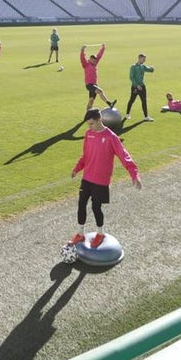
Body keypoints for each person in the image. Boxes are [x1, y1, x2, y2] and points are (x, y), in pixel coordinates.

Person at [70, 108, 141, 248]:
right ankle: (80, 233)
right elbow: (85, 156)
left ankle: (100, 233)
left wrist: (134, 174)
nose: (89, 127)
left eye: (91, 124)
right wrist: (77, 169)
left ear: (99, 120)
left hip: (101, 180)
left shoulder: (111, 137)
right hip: (87, 177)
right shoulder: (88, 134)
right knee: (81, 203)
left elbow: (124, 156)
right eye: (88, 124)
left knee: (96, 207)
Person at [80, 44, 115, 112]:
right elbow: (82, 58)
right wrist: (82, 50)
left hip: (94, 84)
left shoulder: (95, 63)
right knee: (100, 91)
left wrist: (103, 48)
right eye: (93, 60)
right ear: (90, 59)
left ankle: (88, 112)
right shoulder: (86, 64)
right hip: (89, 85)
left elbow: (99, 56)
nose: (94, 61)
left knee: (91, 99)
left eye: (95, 60)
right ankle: (109, 103)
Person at [125, 53, 155, 121]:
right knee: (132, 100)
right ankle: (127, 114)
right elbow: (131, 77)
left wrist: (152, 68)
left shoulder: (143, 66)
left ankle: (146, 116)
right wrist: (137, 85)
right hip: (135, 87)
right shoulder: (133, 67)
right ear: (139, 58)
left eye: (145, 59)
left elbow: (150, 70)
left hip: (142, 86)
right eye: (143, 59)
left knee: (144, 101)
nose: (144, 60)